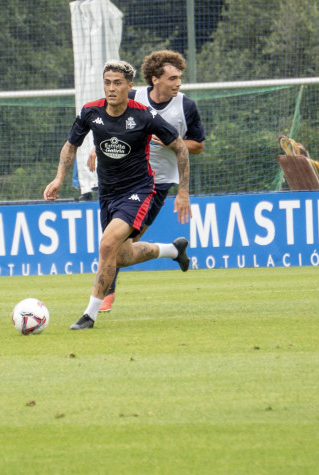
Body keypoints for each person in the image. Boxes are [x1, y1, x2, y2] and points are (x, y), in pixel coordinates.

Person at [44, 60, 192, 330]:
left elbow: (181, 148)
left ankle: (89, 315)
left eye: (118, 83)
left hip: (138, 191)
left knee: (106, 245)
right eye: (107, 82)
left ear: (129, 86)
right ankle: (173, 250)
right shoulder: (90, 111)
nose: (111, 88)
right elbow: (70, 145)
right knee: (121, 256)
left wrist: (183, 191)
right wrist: (59, 179)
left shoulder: (144, 116)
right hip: (107, 193)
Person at [88, 50, 205, 313]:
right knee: (116, 245)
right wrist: (99, 147)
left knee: (117, 246)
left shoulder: (186, 106)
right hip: (123, 180)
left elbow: (197, 146)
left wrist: (170, 144)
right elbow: (110, 123)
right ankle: (173, 251)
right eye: (173, 78)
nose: (178, 83)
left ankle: (106, 293)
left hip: (157, 184)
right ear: (155, 79)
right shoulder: (133, 98)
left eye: (179, 77)